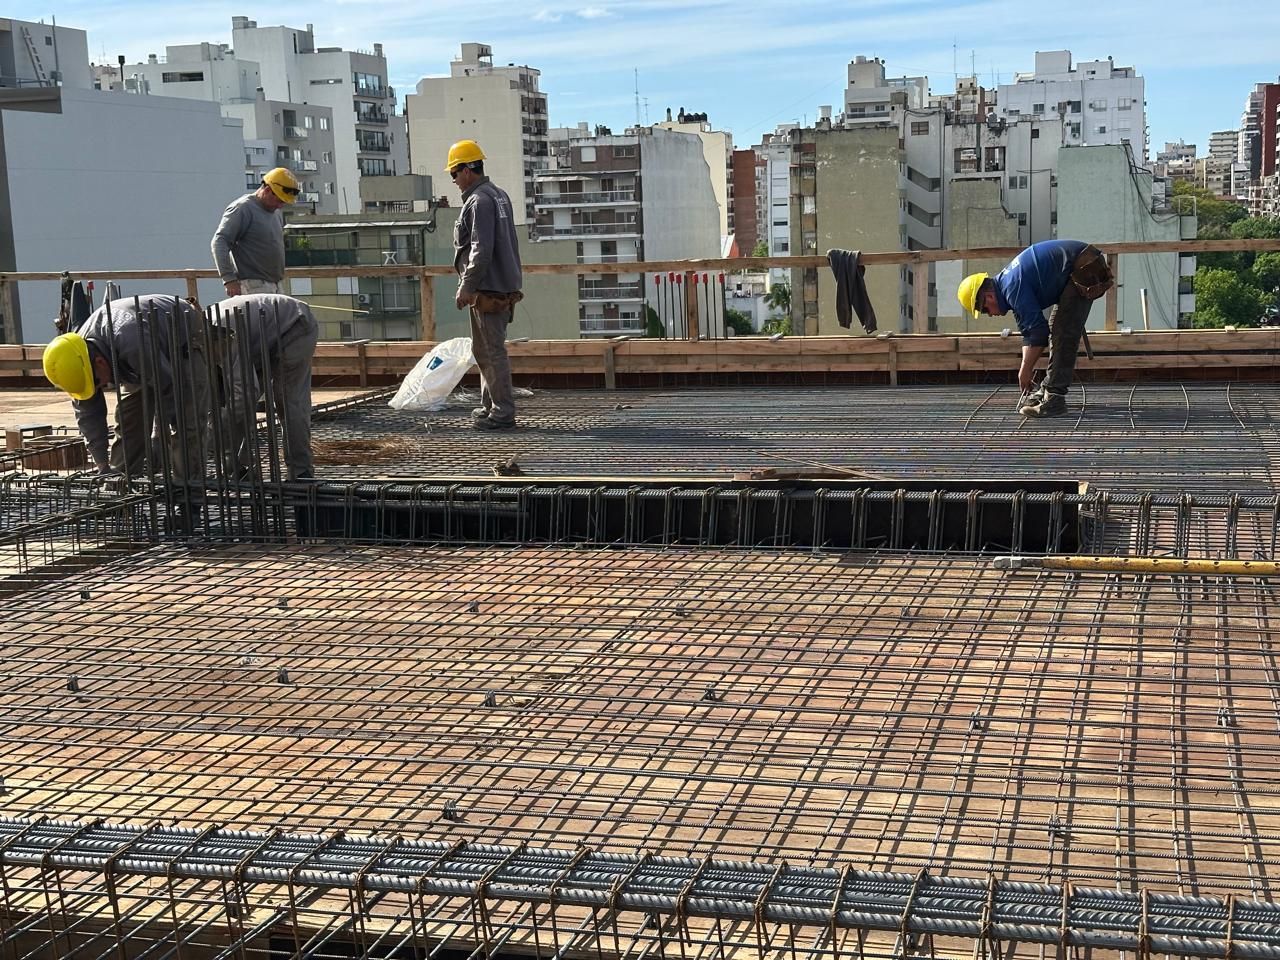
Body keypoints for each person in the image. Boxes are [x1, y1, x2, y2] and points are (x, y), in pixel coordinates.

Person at [41, 294, 210, 482]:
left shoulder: (132, 343)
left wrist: (159, 436)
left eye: (98, 383)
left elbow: (168, 389)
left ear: (100, 362)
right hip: (137, 350)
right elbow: (88, 414)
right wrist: (102, 466)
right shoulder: (76, 358)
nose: (100, 388)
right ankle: (121, 481)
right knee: (129, 420)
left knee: (187, 422)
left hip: (183, 337)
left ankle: (188, 488)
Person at [957, 240, 1113, 418]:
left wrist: (1025, 369)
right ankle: (1049, 388)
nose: (990, 315)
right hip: (1079, 265)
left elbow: (1038, 333)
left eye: (985, 310)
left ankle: (1054, 398)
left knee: (1063, 333)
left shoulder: (1012, 287)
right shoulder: (1008, 286)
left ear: (988, 297)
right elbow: (1028, 334)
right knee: (1058, 329)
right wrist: (1025, 367)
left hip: (1085, 266)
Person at [448, 139, 524, 430]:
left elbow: (481, 249)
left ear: (467, 170)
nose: (454, 180)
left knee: (492, 351)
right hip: (499, 284)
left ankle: (503, 413)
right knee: (484, 351)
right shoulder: (498, 195)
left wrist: (466, 287)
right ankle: (491, 405)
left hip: (488, 288)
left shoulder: (479, 201)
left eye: (454, 173)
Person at [211, 293, 319, 482]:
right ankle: (240, 468)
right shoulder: (196, 343)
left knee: (287, 399)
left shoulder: (218, 336)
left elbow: (246, 391)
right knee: (232, 402)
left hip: (294, 325)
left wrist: (214, 428)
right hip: (259, 339)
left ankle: (301, 472)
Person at [212, 167, 299, 298]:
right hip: (253, 286)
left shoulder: (275, 212)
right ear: (267, 190)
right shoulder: (243, 208)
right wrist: (229, 279)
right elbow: (220, 241)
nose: (280, 206)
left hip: (275, 284)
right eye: (279, 200)